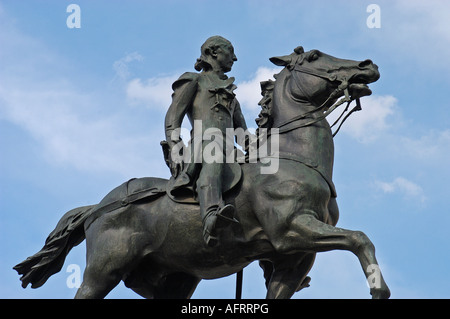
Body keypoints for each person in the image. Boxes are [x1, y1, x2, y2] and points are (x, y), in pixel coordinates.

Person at [164, 36, 249, 247]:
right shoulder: (194, 81)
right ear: (213, 53)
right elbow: (173, 118)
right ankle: (211, 216)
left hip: (230, 150)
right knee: (214, 147)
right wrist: (176, 148)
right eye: (230, 52)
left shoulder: (231, 95)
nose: (235, 58)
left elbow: (243, 135)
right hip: (204, 145)